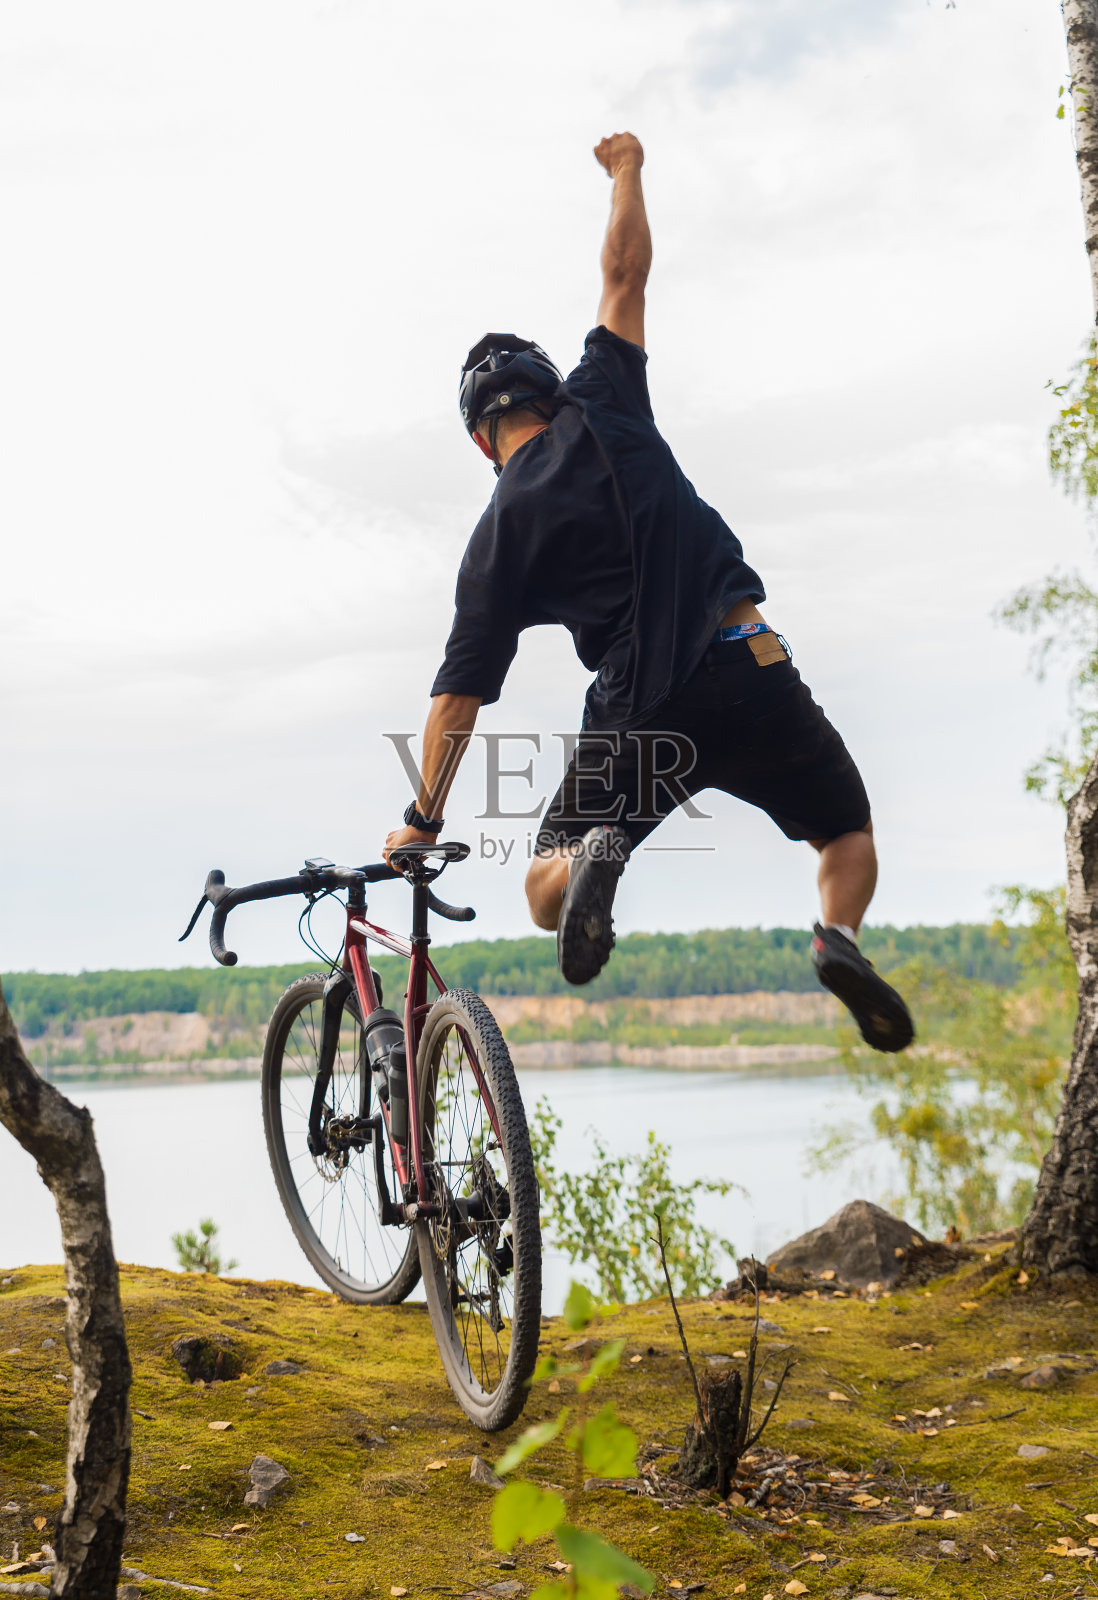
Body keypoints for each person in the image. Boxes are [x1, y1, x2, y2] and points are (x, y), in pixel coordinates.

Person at [383, 132, 914, 1053]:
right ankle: (838, 939)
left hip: (641, 712)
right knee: (845, 836)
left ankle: (595, 854)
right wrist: (626, 167)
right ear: (548, 391)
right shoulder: (604, 397)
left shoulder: (494, 537)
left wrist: (422, 817)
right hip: (751, 664)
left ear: (481, 440)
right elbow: (624, 273)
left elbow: (457, 698)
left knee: (543, 885)